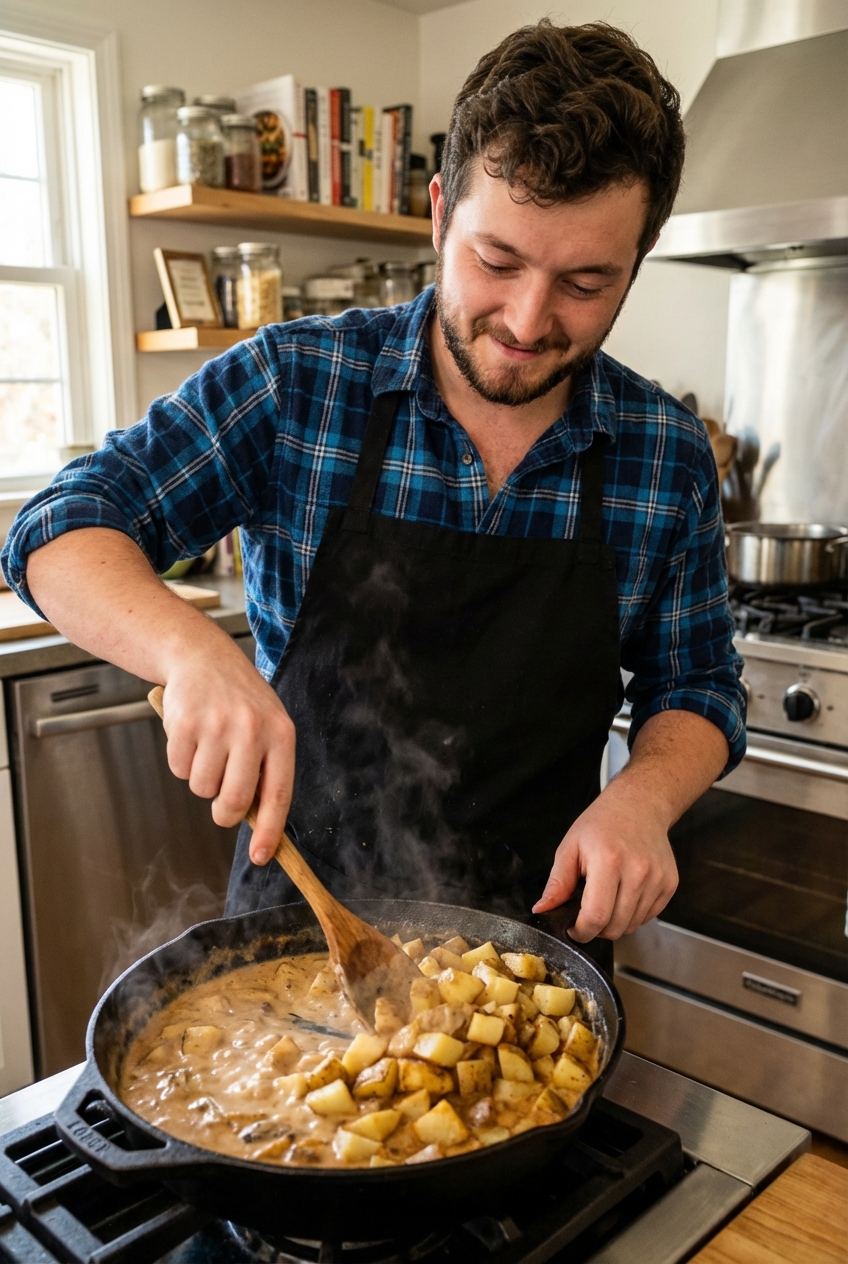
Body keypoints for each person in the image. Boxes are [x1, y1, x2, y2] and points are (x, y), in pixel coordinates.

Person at [2, 21, 745, 955]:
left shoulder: (664, 452)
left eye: (585, 282)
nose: (526, 320)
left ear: (637, 261)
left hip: (533, 966)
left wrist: (643, 799)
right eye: (497, 261)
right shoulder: (296, 383)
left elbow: (701, 683)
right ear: (439, 214)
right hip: (296, 943)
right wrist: (191, 652)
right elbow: (56, 526)